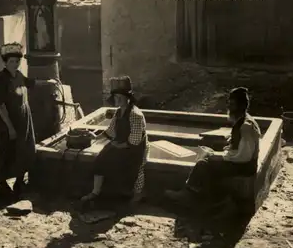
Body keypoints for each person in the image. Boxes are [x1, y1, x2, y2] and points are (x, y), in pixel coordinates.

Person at [164, 87, 262, 207]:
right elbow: (238, 149)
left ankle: (189, 196)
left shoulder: (246, 126)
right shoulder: (242, 121)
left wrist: (218, 156)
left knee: (203, 164)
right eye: (229, 103)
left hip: (244, 167)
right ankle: (210, 198)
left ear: (240, 106)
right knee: (210, 155)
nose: (229, 107)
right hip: (241, 162)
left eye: (232, 104)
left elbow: (243, 157)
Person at [0, 42, 57, 197]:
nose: (15, 64)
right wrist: (10, 128)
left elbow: (31, 83)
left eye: (17, 61)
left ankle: (19, 181)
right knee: (5, 152)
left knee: (24, 150)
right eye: (12, 62)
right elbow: (0, 106)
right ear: (5, 62)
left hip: (23, 119)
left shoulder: (18, 76)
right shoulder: (1, 79)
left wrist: (48, 82)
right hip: (5, 121)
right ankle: (3, 184)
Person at [80, 76, 149, 204]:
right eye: (116, 97)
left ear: (128, 99)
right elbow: (110, 131)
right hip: (120, 145)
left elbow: (135, 140)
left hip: (135, 149)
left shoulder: (135, 114)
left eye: (120, 97)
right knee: (101, 158)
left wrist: (119, 146)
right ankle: (96, 192)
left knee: (135, 167)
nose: (118, 100)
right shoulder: (118, 112)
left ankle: (138, 193)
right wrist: (95, 137)